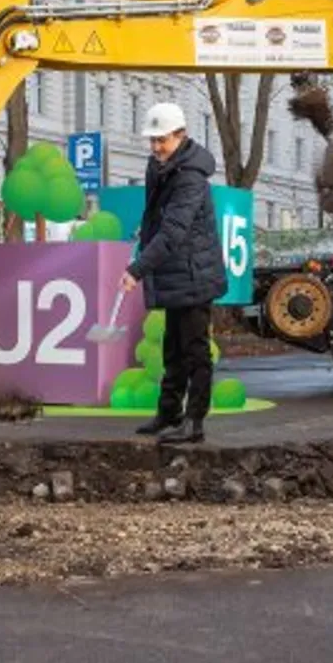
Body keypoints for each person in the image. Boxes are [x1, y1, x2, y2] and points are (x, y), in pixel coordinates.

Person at [120, 103, 228, 444]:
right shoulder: (161, 166)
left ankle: (194, 422)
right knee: (172, 348)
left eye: (161, 140)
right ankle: (169, 413)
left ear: (181, 136)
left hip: (194, 273)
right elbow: (157, 219)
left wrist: (137, 270)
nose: (155, 147)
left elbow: (174, 231)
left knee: (195, 351)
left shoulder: (191, 177)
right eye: (152, 140)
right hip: (176, 270)